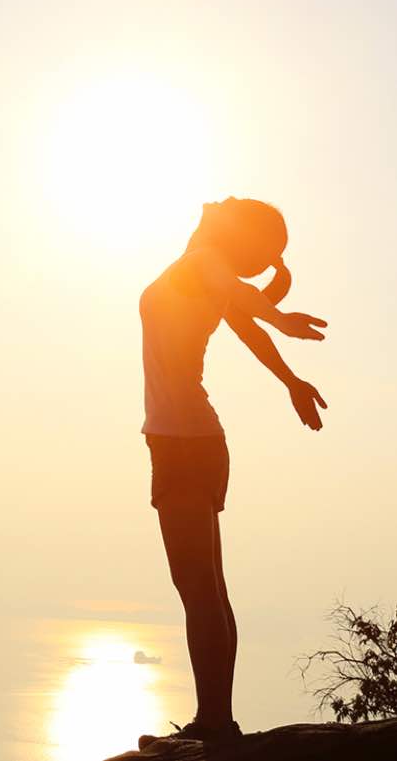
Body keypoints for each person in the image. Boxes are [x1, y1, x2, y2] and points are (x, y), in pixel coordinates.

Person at [136, 197, 328, 746]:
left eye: (227, 206)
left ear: (229, 228)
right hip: (191, 440)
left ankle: (214, 723)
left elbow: (245, 303)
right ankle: (216, 717)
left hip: (183, 443)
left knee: (198, 588)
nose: (214, 203)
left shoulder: (204, 263)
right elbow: (247, 324)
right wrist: (290, 377)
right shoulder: (198, 271)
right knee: (208, 587)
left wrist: (281, 318)